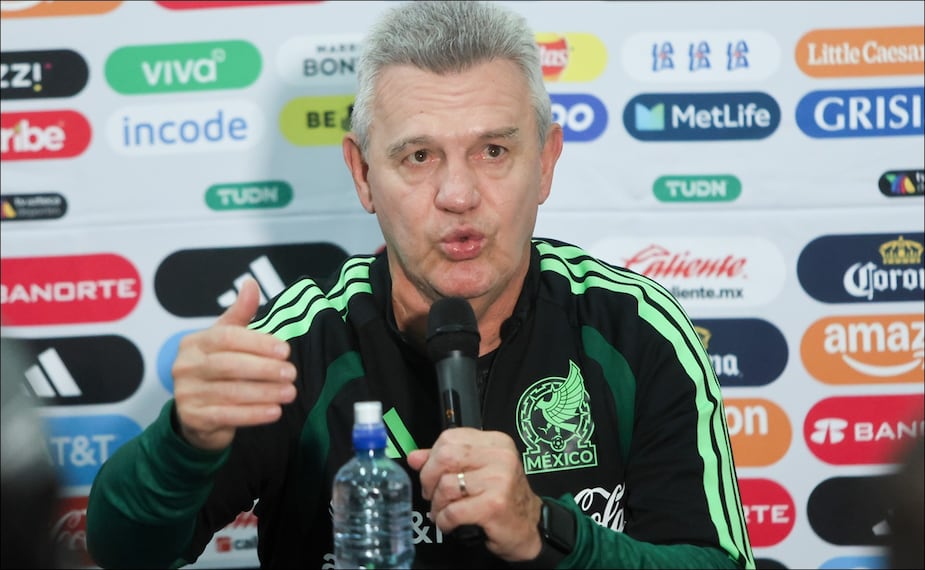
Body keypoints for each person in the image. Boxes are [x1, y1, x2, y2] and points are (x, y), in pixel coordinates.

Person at [86, 2, 754, 568]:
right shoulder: (295, 347)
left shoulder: (635, 330)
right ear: (362, 174)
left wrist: (547, 531)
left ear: (546, 162)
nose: (458, 194)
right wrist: (183, 445)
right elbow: (123, 550)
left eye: (493, 151)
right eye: (418, 155)